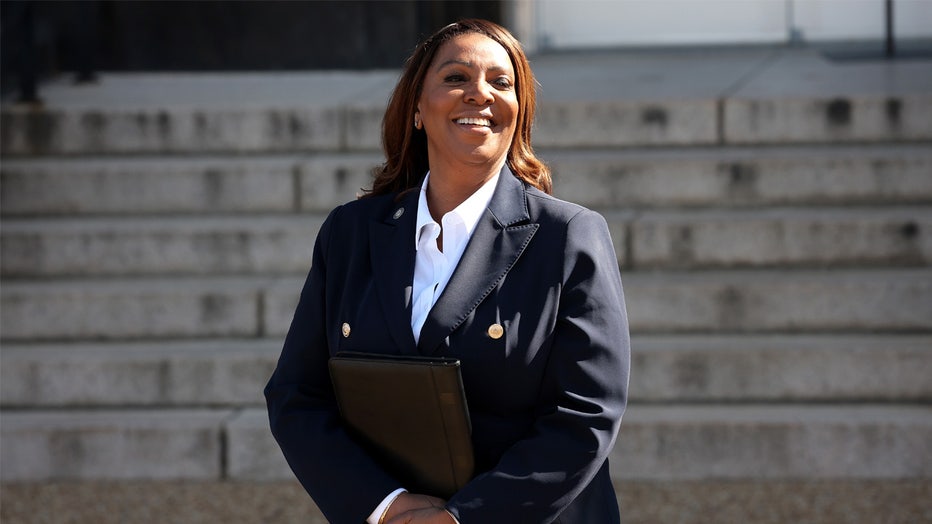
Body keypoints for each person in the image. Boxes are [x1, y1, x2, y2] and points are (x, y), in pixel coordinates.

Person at [265, 19, 630, 524]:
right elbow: (297, 395)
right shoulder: (350, 233)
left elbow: (585, 415)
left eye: (501, 83)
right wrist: (384, 506)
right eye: (456, 77)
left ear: (518, 113)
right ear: (416, 108)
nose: (479, 94)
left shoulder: (569, 236)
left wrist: (462, 518)